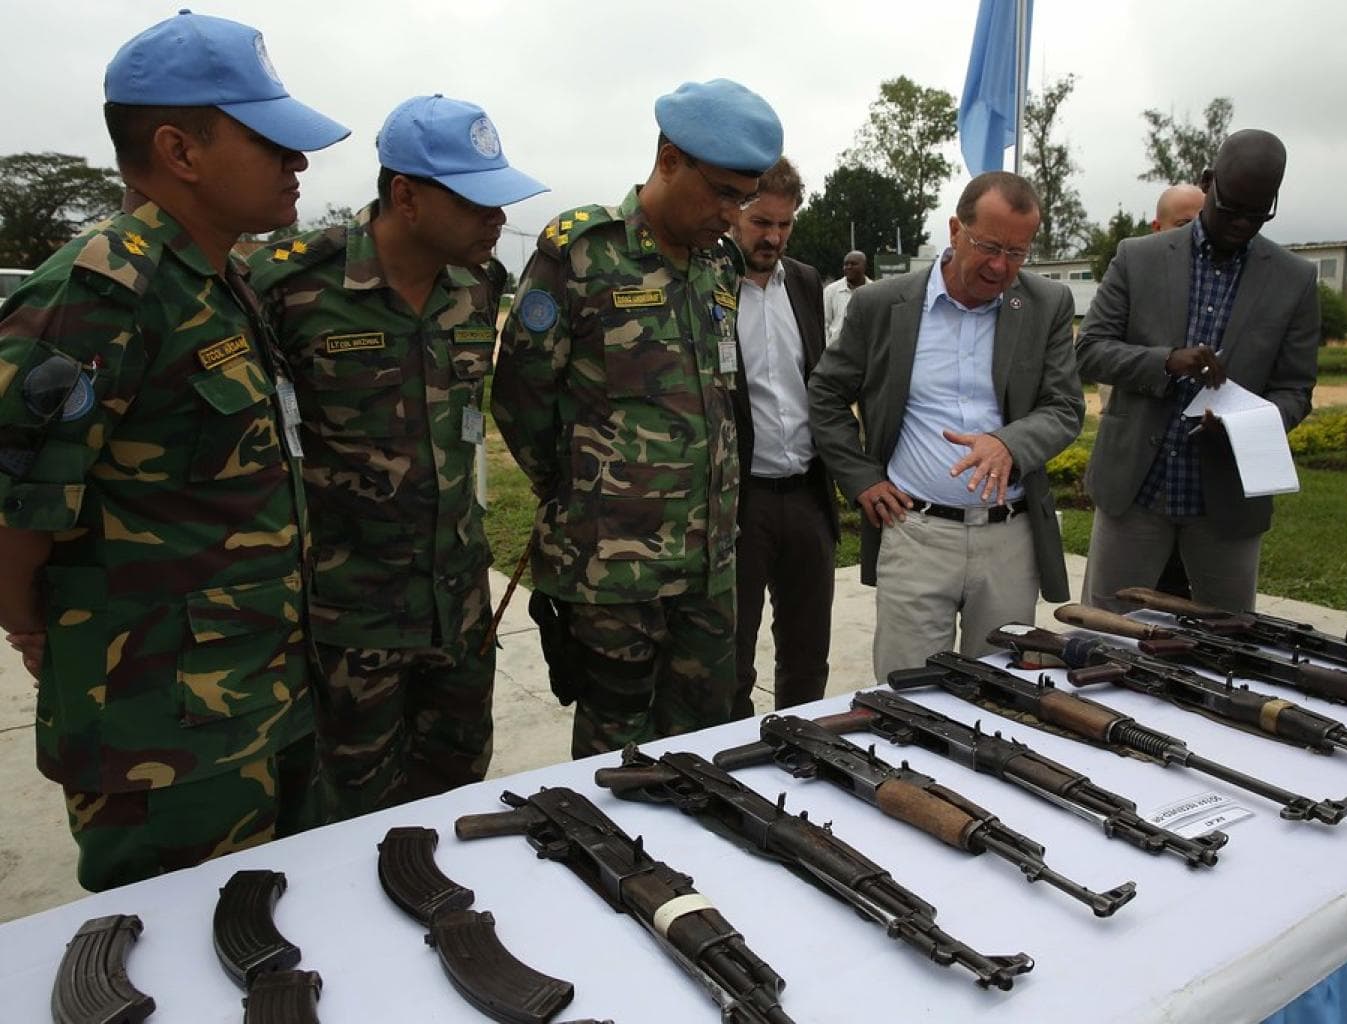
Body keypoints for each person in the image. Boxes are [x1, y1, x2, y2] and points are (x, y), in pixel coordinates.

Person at [0, 11, 347, 890]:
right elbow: (14, 501)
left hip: (256, 690)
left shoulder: (220, 276)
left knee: (273, 936)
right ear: (179, 151)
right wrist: (31, 621)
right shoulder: (99, 291)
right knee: (170, 958)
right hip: (158, 730)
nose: (296, 163)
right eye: (270, 141)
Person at [248, 96, 546, 819]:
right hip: (346, 625)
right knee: (341, 825)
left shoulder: (478, 286)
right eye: (477, 201)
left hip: (458, 614)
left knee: (452, 805)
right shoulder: (288, 286)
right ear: (405, 195)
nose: (497, 219)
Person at [491, 79, 782, 757]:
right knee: (613, 749)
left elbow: (716, 395)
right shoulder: (583, 252)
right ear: (669, 159)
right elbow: (521, 397)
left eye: (742, 197)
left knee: (703, 740)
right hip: (612, 570)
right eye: (721, 192)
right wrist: (587, 490)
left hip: (708, 567)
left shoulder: (718, 265)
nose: (731, 212)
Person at [808, 171, 1082, 682]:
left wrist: (1009, 443)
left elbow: (1066, 406)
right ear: (955, 229)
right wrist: (862, 479)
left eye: (1018, 253)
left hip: (1010, 539)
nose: (1002, 266)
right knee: (909, 693)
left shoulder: (1046, 304)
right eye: (990, 246)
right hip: (916, 534)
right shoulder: (882, 305)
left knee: (1002, 690)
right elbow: (825, 393)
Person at [1077, 129, 1320, 614]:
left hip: (1227, 500)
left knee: (1225, 643)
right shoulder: (1138, 258)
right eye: (1232, 208)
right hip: (1136, 491)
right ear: (1208, 182)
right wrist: (1165, 361)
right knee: (1106, 630)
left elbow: (1296, 389)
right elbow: (1090, 351)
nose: (1243, 223)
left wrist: (1246, 423)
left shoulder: (1294, 279)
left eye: (1259, 213)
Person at [726, 157, 838, 719]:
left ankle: (804, 748)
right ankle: (729, 767)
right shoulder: (710, 286)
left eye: (785, 225)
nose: (773, 237)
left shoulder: (807, 282)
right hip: (741, 501)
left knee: (807, 651)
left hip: (807, 494)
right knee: (731, 658)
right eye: (761, 223)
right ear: (734, 215)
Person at [1148, 182, 1209, 600]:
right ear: (1158, 228)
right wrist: (1167, 361)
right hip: (1142, 485)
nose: (1197, 235)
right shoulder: (1135, 276)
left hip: (1209, 492)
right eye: (1184, 224)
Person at [823, 250, 868, 343]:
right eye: (846, 264)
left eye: (853, 264)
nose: (849, 267)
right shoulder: (831, 291)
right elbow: (824, 323)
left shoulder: (874, 290)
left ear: (864, 267)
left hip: (865, 350)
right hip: (837, 351)